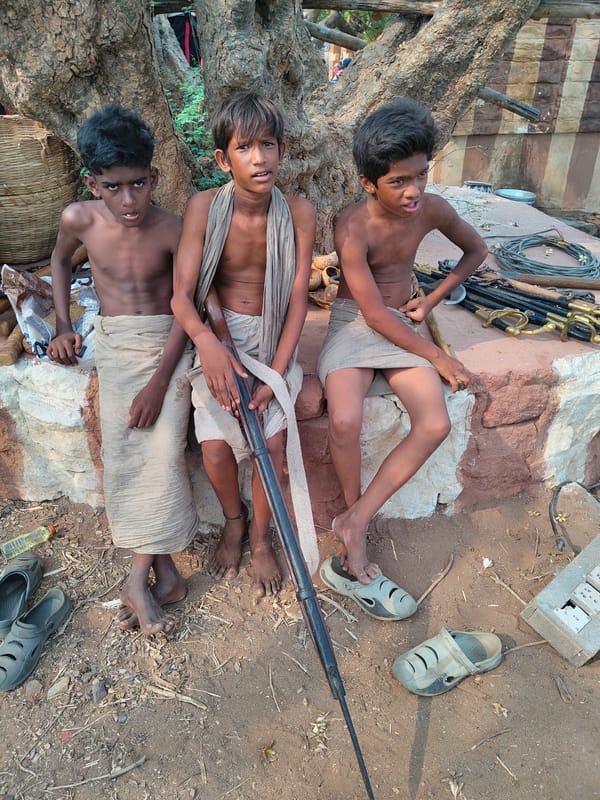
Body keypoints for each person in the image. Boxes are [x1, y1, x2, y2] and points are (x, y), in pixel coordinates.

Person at [317, 96, 488, 617]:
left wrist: (432, 298)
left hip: (406, 323)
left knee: (434, 422)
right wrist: (437, 355)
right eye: (398, 181)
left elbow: (476, 250)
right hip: (356, 324)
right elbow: (370, 313)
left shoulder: (432, 208)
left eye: (420, 175)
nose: (414, 190)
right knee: (344, 417)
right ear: (369, 183)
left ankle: (356, 521)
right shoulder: (352, 227)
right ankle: (355, 520)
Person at [47, 104, 199, 635]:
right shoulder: (78, 219)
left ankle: (136, 581)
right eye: (113, 187)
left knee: (161, 452)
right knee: (126, 455)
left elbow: (187, 305)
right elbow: (61, 261)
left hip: (167, 348)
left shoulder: (173, 229)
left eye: (139, 184)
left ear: (154, 176)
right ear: (93, 182)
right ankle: (165, 574)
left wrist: (160, 382)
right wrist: (63, 324)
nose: (129, 200)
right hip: (114, 346)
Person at [172, 92, 316, 598]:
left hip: (273, 334)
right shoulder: (204, 208)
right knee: (214, 448)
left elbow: (298, 300)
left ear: (282, 149)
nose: (260, 158)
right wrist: (210, 346)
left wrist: (273, 373)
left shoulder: (299, 212)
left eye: (269, 145)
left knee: (270, 446)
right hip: (218, 338)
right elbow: (181, 297)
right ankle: (234, 521)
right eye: (245, 147)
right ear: (222, 159)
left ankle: (260, 536)